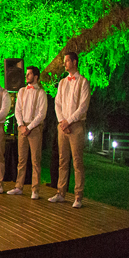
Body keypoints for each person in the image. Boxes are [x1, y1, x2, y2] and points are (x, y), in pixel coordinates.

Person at [49, 52, 91, 208]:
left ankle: (78, 196)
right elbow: (57, 103)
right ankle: (61, 192)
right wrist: (61, 121)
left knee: (77, 162)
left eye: (67, 61)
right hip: (63, 126)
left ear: (74, 62)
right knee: (62, 160)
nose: (64, 63)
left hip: (76, 126)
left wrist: (69, 121)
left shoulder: (83, 82)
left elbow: (83, 107)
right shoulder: (62, 83)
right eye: (64, 61)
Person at [7, 66, 48, 200]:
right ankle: (19, 186)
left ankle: (35, 189)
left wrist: (29, 127)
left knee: (35, 160)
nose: (27, 76)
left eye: (29, 74)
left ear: (36, 77)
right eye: (27, 74)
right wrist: (21, 125)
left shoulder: (41, 93)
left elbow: (41, 114)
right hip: (22, 127)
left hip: (34, 128)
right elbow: (17, 110)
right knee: (21, 159)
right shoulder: (22, 91)